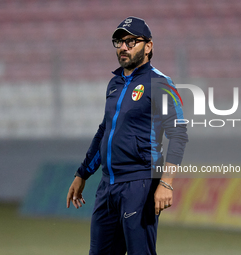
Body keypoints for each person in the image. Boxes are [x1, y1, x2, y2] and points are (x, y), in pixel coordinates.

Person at [67, 16, 188, 255]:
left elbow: (178, 135)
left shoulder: (160, 83)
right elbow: (104, 130)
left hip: (140, 185)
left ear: (148, 46)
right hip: (107, 186)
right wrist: (82, 174)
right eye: (119, 41)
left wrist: (166, 183)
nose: (123, 47)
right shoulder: (114, 84)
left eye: (131, 41)